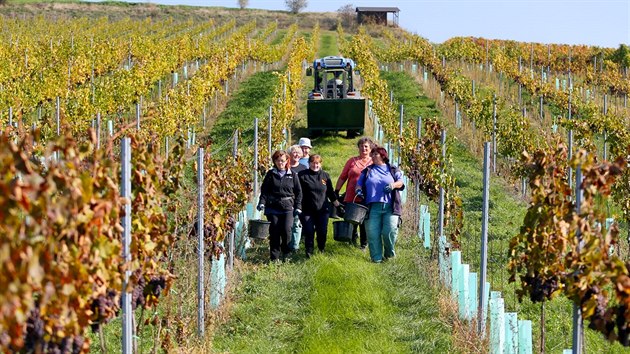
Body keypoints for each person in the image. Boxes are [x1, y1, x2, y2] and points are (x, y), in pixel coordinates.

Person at [356, 146, 405, 263]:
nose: (372, 156)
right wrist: (358, 190)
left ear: (383, 156)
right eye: (372, 154)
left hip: (390, 207)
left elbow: (401, 182)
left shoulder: (393, 169)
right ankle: (376, 259)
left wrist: (393, 185)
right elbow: (358, 184)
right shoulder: (367, 170)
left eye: (375, 154)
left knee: (390, 231)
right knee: (372, 234)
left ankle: (389, 255)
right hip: (372, 207)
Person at [257, 150, 302, 262]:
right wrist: (262, 203)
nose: (280, 162)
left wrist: (298, 206)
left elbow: (299, 192)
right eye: (277, 160)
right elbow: (264, 191)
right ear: (275, 161)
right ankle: (274, 257)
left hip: (288, 207)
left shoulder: (293, 175)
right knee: (274, 231)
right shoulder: (270, 174)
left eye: (282, 160)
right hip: (273, 207)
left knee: (287, 231)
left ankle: (286, 253)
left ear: (287, 161)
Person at [335, 137, 375, 249]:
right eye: (361, 146)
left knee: (364, 221)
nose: (364, 148)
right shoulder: (352, 161)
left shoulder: (373, 162)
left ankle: (363, 244)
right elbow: (343, 177)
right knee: (351, 220)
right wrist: (336, 191)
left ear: (370, 148)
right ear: (358, 148)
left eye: (366, 146)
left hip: (367, 197)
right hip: (351, 196)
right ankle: (352, 242)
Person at [298, 155, 340, 258]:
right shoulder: (302, 175)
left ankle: (321, 249)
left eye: (317, 163)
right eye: (313, 162)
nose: (315, 165)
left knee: (322, 231)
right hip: (307, 210)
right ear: (309, 163)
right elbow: (298, 193)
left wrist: (338, 205)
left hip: (322, 209)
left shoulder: (325, 176)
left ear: (320, 164)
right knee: (309, 231)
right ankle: (309, 252)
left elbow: (330, 192)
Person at [287, 145, 306, 252]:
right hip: (287, 198)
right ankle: (286, 244)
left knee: (297, 223)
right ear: (289, 154)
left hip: (299, 199)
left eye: (298, 153)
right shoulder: (286, 167)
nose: (296, 155)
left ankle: (295, 246)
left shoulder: (303, 168)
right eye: (294, 152)